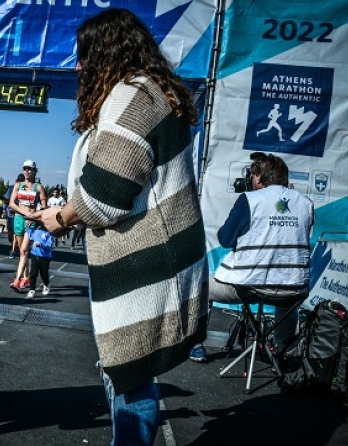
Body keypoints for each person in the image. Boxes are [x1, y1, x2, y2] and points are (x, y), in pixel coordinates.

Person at [32, 10, 208, 445]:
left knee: (129, 375)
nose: (77, 68)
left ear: (105, 52)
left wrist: (60, 217)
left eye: (83, 56)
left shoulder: (132, 95)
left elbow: (104, 194)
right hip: (150, 261)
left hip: (143, 266)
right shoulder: (149, 92)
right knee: (131, 374)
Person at [188, 152, 314, 363]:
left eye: (254, 174)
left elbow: (226, 239)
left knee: (201, 290)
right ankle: (281, 348)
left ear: (260, 178)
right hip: (292, 288)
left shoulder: (250, 199)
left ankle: (196, 344)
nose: (252, 179)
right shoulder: (306, 202)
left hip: (249, 285)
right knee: (287, 299)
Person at [8, 160, 47, 292]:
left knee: (24, 250)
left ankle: (17, 280)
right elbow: (11, 204)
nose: (27, 171)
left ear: (35, 171)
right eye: (25, 168)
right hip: (19, 219)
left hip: (31, 221)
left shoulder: (39, 187)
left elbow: (44, 207)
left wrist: (34, 215)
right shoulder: (18, 185)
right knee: (22, 252)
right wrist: (25, 213)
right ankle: (26, 278)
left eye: (29, 169)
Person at [25, 221, 53, 298]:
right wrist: (28, 227)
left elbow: (49, 245)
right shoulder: (37, 230)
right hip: (35, 255)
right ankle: (32, 290)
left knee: (44, 274)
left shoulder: (48, 233)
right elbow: (30, 236)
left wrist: (41, 245)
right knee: (33, 274)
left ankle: (46, 284)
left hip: (45, 257)